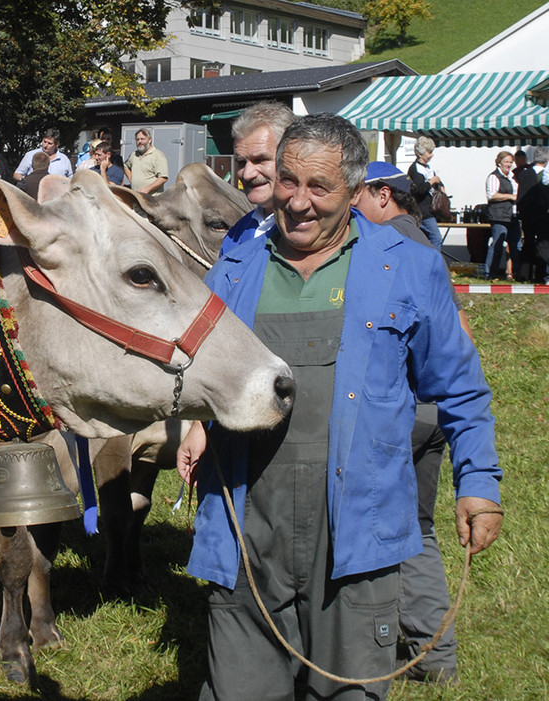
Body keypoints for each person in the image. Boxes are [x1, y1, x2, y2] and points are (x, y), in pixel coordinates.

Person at [177, 114, 501, 701]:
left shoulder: (406, 265)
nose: (298, 202)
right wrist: (198, 421)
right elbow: (200, 369)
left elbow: (459, 386)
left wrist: (478, 481)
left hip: (356, 536)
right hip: (248, 527)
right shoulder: (235, 265)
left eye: (319, 188)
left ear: (355, 194)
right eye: (289, 181)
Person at [356, 160, 475, 684]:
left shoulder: (384, 247)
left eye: (354, 193)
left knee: (371, 527)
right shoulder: (424, 242)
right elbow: (461, 332)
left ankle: (368, 646)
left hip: (398, 409)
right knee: (417, 531)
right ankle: (435, 658)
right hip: (432, 410)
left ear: (384, 194)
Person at [219, 101, 296, 256]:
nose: (247, 174)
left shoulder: (309, 232)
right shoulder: (237, 233)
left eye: (260, 160)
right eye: (241, 162)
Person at [484, 150, 522, 279]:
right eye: (506, 162)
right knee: (497, 245)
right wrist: (511, 196)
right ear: (499, 163)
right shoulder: (494, 177)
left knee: (516, 245)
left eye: (511, 162)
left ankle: (517, 273)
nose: (509, 164)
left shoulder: (512, 177)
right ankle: (490, 273)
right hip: (499, 216)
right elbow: (492, 195)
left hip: (513, 215)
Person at [514, 145, 549, 284]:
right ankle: (540, 275)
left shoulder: (524, 173)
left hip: (527, 215)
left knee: (527, 242)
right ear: (546, 160)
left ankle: (523, 275)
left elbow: (520, 196)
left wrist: (521, 213)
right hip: (543, 215)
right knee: (543, 244)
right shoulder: (545, 177)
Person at [406, 136, 443, 249]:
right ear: (421, 153)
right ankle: (433, 263)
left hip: (429, 210)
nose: (432, 155)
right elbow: (419, 189)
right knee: (436, 238)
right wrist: (432, 181)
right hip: (422, 211)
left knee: (423, 241)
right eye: (429, 152)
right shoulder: (416, 169)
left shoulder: (427, 168)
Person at [124, 128, 168, 195]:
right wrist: (131, 179)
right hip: (137, 196)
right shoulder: (134, 155)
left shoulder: (158, 155)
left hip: (153, 199)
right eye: (137, 139)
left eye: (142, 139)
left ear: (149, 140)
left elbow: (163, 178)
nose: (140, 142)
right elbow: (125, 166)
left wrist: (147, 189)